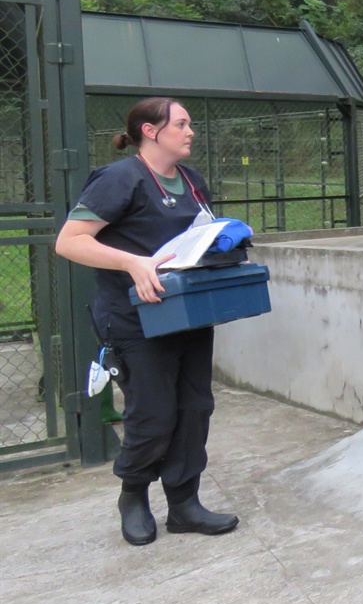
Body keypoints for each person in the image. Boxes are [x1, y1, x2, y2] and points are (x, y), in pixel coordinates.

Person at [55, 98, 238, 546]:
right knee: (153, 415)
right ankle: (133, 494)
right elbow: (69, 242)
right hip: (135, 319)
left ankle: (184, 503)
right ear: (151, 131)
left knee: (195, 410)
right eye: (181, 124)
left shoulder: (192, 182)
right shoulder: (120, 179)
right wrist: (134, 263)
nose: (190, 131)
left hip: (188, 314)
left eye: (190, 123)